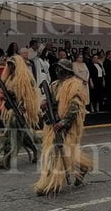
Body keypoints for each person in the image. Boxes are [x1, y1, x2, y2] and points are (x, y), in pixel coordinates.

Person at [33, 59, 92, 195]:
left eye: (60, 68)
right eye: (57, 68)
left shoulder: (75, 85)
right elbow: (50, 98)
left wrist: (64, 122)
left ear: (66, 71)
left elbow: (75, 106)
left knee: (59, 152)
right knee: (55, 152)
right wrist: (44, 102)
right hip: (53, 124)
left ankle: (52, 184)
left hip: (68, 125)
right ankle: (81, 167)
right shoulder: (54, 84)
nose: (57, 71)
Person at [0, 55, 40, 170]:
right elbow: (2, 93)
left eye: (13, 65)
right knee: (21, 135)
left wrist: (24, 107)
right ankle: (35, 149)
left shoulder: (26, 78)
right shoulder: (8, 78)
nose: (11, 67)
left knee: (13, 135)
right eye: (9, 65)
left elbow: (31, 95)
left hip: (20, 111)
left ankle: (7, 160)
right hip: (10, 110)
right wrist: (2, 96)